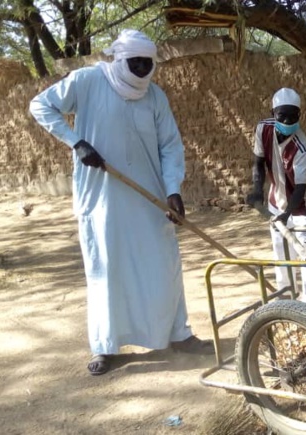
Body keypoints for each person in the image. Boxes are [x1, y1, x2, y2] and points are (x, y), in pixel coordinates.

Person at [29, 29, 210, 376]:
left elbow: (170, 145)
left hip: (149, 196)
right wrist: (76, 142)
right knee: (105, 268)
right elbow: (40, 105)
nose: (142, 69)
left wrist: (173, 189)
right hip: (102, 196)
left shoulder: (155, 96)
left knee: (163, 263)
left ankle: (179, 334)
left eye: (147, 63)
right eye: (135, 62)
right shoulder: (87, 81)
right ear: (119, 58)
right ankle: (105, 345)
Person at [245, 88, 306, 303]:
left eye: (293, 116)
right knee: (281, 252)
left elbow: (300, 189)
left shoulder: (302, 147)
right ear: (273, 113)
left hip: (303, 206)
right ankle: (286, 298)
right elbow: (258, 163)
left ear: (300, 115)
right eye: (282, 115)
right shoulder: (263, 129)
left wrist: (287, 215)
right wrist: (257, 190)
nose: (288, 121)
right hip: (277, 201)